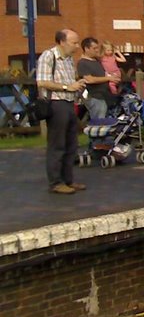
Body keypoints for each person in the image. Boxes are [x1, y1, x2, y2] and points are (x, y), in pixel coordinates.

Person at [35, 29, 86, 194]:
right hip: (56, 103)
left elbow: (70, 80)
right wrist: (67, 87)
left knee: (71, 143)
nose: (77, 46)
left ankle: (68, 179)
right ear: (62, 42)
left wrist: (78, 84)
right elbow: (42, 82)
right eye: (74, 43)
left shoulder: (69, 59)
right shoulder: (48, 56)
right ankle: (55, 182)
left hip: (70, 102)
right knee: (57, 144)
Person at [76, 37, 119, 121]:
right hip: (94, 97)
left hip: (104, 96)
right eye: (94, 48)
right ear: (86, 48)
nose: (97, 50)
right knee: (99, 123)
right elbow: (89, 79)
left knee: (104, 122)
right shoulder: (82, 63)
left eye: (97, 47)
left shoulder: (96, 60)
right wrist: (108, 78)